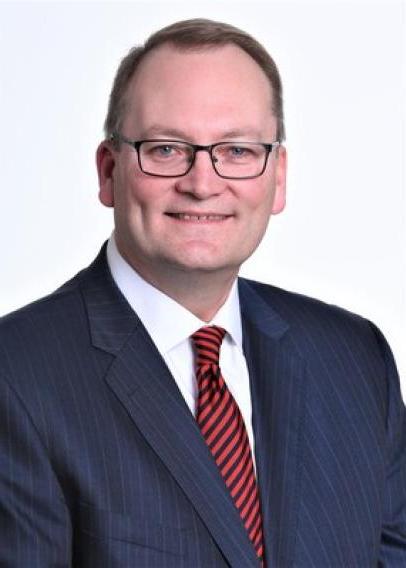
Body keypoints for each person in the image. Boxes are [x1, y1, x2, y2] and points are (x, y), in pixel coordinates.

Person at [0, 17, 405, 567]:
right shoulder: (16, 374)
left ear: (277, 177)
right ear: (108, 170)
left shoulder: (356, 360)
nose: (203, 182)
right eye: (166, 149)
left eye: (237, 150)